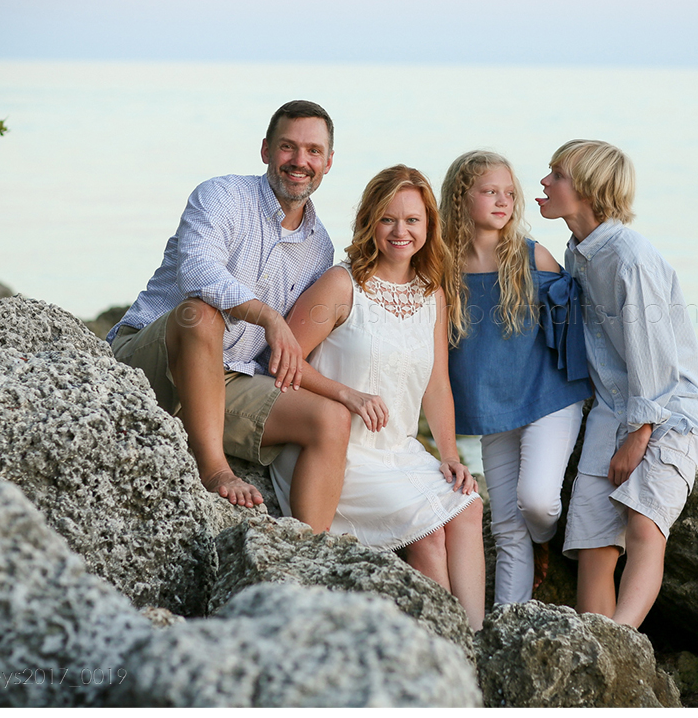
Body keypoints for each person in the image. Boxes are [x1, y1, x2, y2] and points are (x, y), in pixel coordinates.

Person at [107, 100, 351, 528]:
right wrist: (268, 317)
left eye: (313, 151)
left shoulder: (320, 248)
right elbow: (198, 272)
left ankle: (311, 548)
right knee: (201, 315)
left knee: (331, 419)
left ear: (328, 162)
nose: (300, 161)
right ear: (266, 150)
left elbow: (288, 353)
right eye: (288, 147)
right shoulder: (221, 195)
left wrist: (345, 393)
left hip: (228, 381)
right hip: (152, 363)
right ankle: (214, 468)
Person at [269, 165, 486, 630]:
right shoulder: (341, 284)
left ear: (429, 226)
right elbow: (285, 360)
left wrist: (450, 454)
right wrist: (345, 395)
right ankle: (448, 650)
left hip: (397, 451)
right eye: (388, 219)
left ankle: (477, 639)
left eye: (412, 220)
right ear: (370, 221)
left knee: (468, 505)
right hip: (338, 454)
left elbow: (437, 384)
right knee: (429, 534)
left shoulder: (432, 293)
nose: (400, 231)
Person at [536, 138, 698, 628]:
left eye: (557, 174)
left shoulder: (630, 258)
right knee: (593, 542)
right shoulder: (576, 253)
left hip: (667, 412)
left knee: (644, 526)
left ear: (589, 190)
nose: (544, 181)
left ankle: (623, 640)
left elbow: (653, 354)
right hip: (609, 412)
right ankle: (596, 644)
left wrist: (639, 435)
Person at [439, 150, 593, 606]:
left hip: (549, 396)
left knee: (537, 503)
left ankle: (544, 541)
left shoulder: (532, 256)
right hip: (494, 407)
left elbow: (576, 324)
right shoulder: (442, 267)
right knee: (506, 526)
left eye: (509, 192)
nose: (503, 201)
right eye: (490, 191)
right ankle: (509, 622)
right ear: (461, 197)